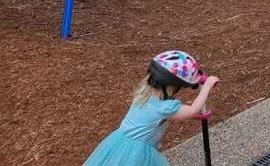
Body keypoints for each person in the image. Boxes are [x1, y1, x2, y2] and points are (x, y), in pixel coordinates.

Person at [83, 50, 219, 166]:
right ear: (173, 85)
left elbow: (160, 116)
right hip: (136, 153)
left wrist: (193, 115)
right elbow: (193, 109)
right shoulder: (165, 107)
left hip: (118, 143)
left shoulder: (144, 93)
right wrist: (206, 87)